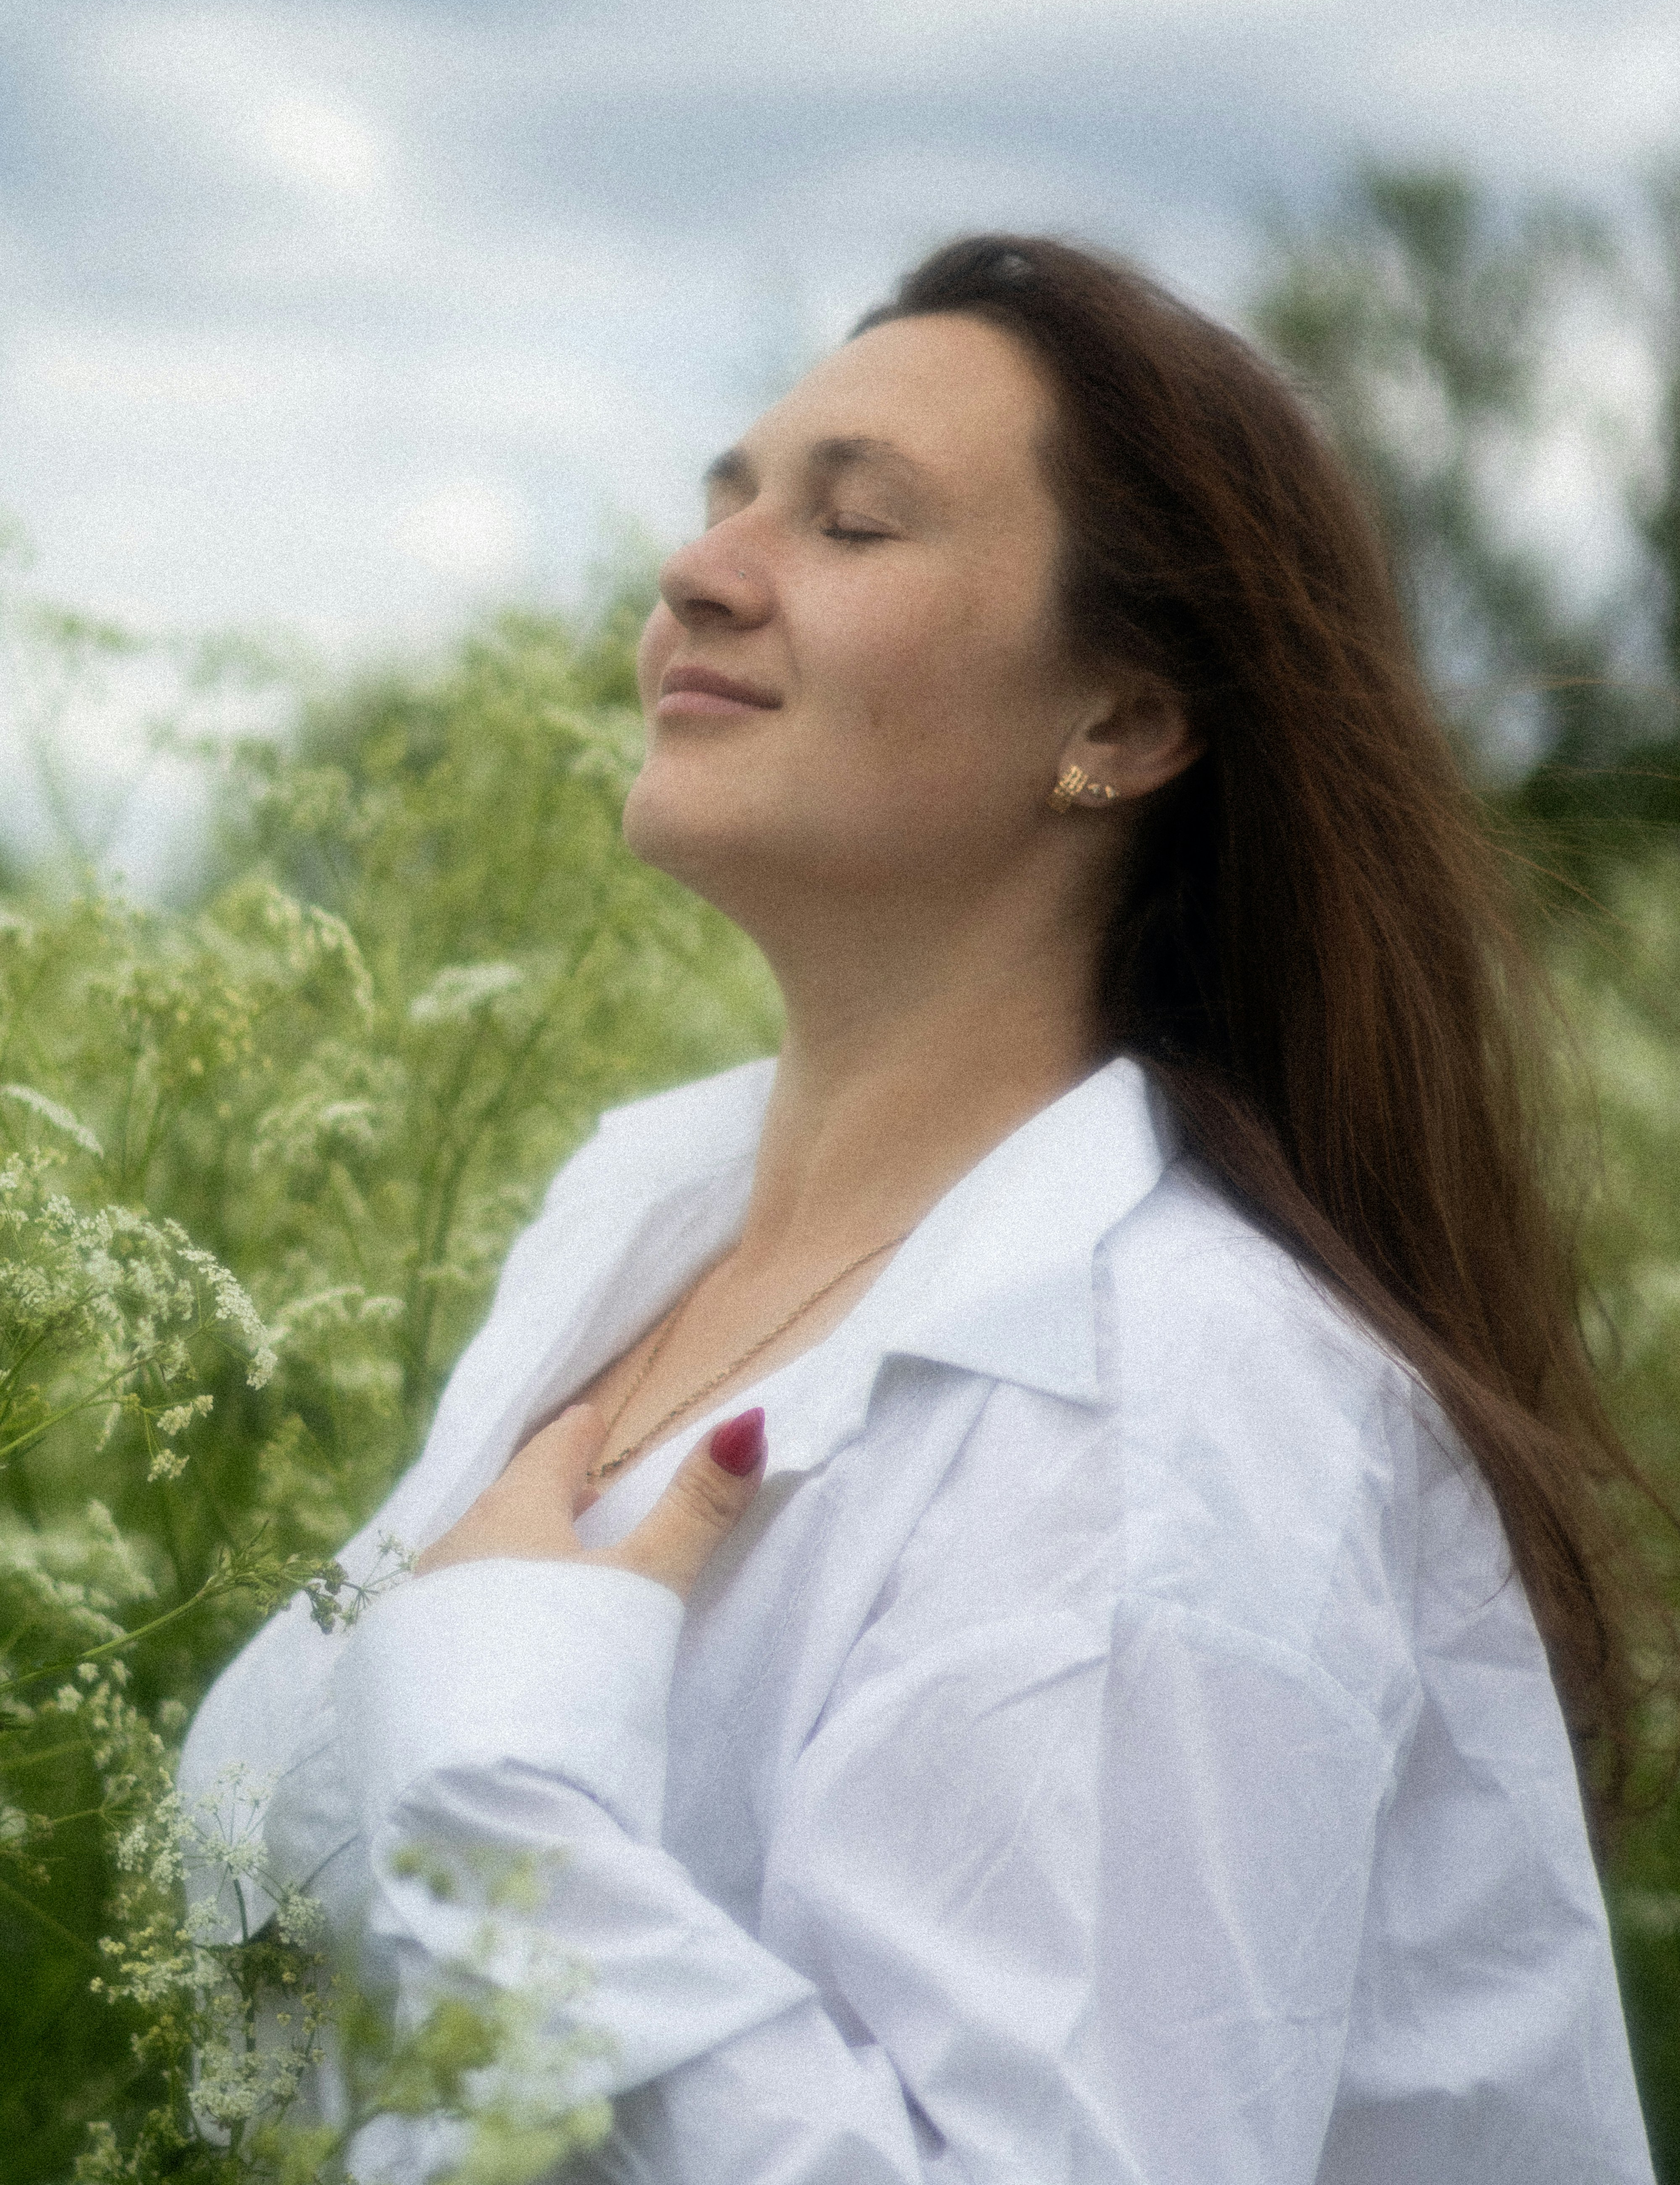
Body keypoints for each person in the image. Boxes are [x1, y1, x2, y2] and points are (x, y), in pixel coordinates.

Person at [182, 234, 1659, 2182]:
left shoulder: (1169, 1406)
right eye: (725, 502)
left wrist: (500, 1800)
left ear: (1123, 726)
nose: (698, 570)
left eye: (852, 524)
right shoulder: (631, 1239)